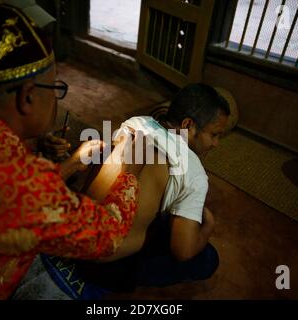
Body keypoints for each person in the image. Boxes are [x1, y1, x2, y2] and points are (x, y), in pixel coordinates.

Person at [0, 2, 144, 300]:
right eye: (55, 88)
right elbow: (109, 237)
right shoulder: (23, 181)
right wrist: (130, 172)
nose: (57, 97)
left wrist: (69, 165)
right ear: (27, 97)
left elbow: (0, 203)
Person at [27, 84, 229, 298]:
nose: (215, 144)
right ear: (188, 124)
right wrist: (208, 227)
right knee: (207, 257)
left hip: (78, 229)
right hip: (104, 264)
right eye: (214, 135)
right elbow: (183, 250)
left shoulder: (135, 123)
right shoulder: (194, 171)